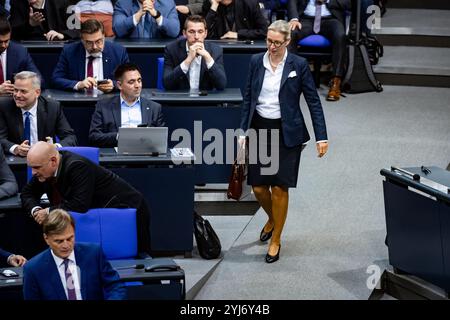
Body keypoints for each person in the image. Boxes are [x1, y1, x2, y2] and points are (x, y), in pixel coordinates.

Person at [240, 20, 328, 263]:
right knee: (258, 187)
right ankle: (272, 218)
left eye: (277, 43)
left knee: (279, 187)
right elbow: (248, 97)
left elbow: (313, 101)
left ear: (287, 42)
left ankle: (276, 239)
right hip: (259, 127)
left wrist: (322, 135)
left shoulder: (298, 65)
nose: (271, 46)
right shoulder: (256, 61)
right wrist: (241, 130)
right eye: (269, 41)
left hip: (287, 131)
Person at [21, 141, 152, 256]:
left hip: (128, 208)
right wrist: (36, 210)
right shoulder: (44, 170)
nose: (33, 172)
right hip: (101, 209)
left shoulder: (77, 166)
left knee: (140, 255)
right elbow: (26, 193)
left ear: (53, 161)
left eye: (36, 167)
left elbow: (79, 204)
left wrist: (48, 212)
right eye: (31, 167)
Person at [23, 208, 126, 300]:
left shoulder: (93, 254)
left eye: (70, 238)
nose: (66, 245)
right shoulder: (33, 269)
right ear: (46, 239)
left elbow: (115, 286)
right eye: (59, 241)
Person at [0, 71, 77, 157]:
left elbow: (70, 138)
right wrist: (15, 148)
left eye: (23, 91)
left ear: (37, 92)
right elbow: (1, 138)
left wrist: (54, 147)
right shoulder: (4, 106)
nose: (17, 95)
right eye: (15, 90)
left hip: (45, 162)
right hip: (16, 162)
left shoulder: (52, 107)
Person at [89, 63, 165, 147]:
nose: (137, 85)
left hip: (145, 154)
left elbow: (162, 140)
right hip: (116, 155)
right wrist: (120, 136)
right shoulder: (104, 106)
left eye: (139, 80)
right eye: (131, 82)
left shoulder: (154, 108)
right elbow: (94, 137)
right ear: (119, 85)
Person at [287, 0, 350, 101]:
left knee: (340, 34)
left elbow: (347, 3)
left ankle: (336, 81)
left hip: (330, 19)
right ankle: (291, 79)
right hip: (305, 19)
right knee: (291, 33)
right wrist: (294, 18)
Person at [51, 19, 129, 93]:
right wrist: (78, 84)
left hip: (109, 102)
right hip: (80, 102)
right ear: (82, 40)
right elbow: (56, 79)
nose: (94, 47)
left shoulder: (118, 52)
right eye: (89, 43)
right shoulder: (70, 51)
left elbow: (128, 79)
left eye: (98, 41)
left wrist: (114, 85)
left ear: (104, 36)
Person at [163, 15, 227, 91]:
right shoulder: (172, 49)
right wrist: (188, 60)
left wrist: (208, 58)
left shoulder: (215, 50)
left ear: (205, 33)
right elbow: (167, 84)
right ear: (184, 33)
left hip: (205, 100)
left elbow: (222, 85)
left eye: (200, 32)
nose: (196, 36)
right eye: (191, 32)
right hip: (181, 100)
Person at [0, 17, 42, 96]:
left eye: (6, 41)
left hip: (14, 101)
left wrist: (20, 87)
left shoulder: (20, 52)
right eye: (0, 42)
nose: (3, 45)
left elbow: (38, 79)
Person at [9, 0, 80, 41]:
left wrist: (62, 35)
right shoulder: (18, 3)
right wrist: (29, 24)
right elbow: (11, 33)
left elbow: (78, 29)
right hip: (30, 50)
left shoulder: (61, 2)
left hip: (59, 49)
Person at [202, 0, 268, 40]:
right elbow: (203, 33)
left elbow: (264, 31)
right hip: (217, 47)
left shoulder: (249, 3)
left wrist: (238, 34)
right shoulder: (210, 4)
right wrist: (214, 7)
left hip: (244, 46)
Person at [113, 0, 180, 39]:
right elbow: (118, 30)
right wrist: (138, 15)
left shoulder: (168, 4)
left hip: (161, 53)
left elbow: (174, 31)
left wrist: (157, 16)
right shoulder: (122, 4)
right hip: (131, 53)